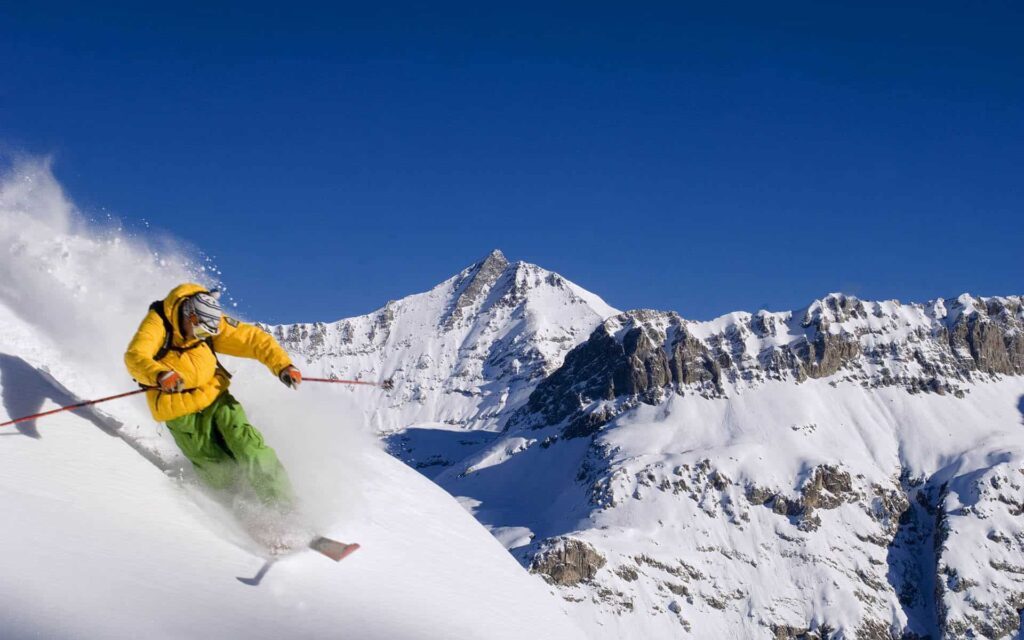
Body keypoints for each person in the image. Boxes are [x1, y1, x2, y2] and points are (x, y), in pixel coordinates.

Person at [124, 283, 302, 506]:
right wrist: (159, 375)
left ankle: (285, 507)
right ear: (191, 318)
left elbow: (253, 339)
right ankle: (243, 508)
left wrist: (283, 366)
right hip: (179, 410)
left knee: (248, 446)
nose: (203, 337)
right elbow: (135, 356)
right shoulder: (157, 324)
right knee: (215, 467)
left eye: (209, 333)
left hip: (215, 395)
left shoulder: (209, 321)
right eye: (201, 332)